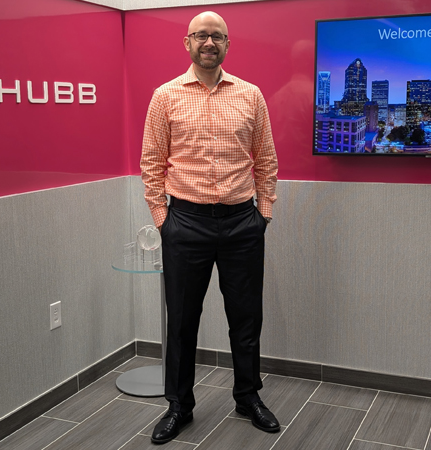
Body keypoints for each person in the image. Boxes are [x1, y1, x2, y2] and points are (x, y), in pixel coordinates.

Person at [140, 10, 279, 445]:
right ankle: (179, 406)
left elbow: (267, 161)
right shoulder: (165, 96)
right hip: (186, 223)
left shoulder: (251, 95)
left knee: (246, 317)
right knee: (182, 320)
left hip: (241, 222)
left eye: (217, 36)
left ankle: (247, 396)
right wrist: (164, 222)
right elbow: (151, 164)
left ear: (227, 45)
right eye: (201, 35)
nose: (209, 43)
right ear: (187, 43)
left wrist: (264, 214)